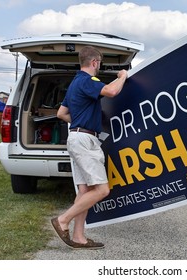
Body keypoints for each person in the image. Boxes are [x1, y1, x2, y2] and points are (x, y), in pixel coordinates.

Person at [52, 46, 128, 249]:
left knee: (85, 190)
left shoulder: (75, 83)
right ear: (94, 62)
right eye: (99, 64)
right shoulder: (87, 81)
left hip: (77, 138)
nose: (99, 67)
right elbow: (111, 91)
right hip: (85, 141)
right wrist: (123, 75)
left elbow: (61, 113)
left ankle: (78, 237)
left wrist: (78, 123)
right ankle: (63, 220)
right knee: (102, 189)